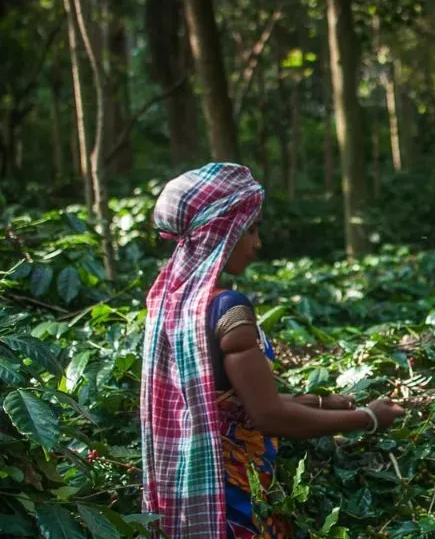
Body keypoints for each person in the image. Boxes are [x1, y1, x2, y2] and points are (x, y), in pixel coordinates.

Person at [140, 163, 405, 538]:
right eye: (250, 229)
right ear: (223, 232)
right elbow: (267, 415)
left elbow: (226, 403)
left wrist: (318, 401)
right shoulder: (229, 309)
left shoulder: (172, 303)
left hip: (186, 484)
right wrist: (369, 418)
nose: (257, 243)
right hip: (231, 494)